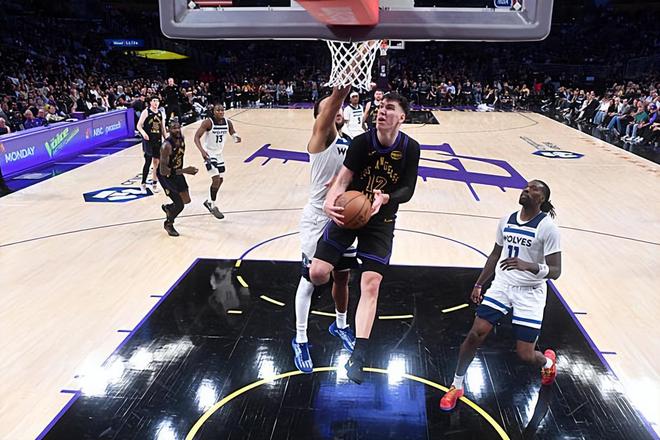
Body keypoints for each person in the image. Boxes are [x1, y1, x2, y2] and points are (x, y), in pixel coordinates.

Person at [309, 92, 421, 384]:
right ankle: (333, 279)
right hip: (351, 213)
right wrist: (330, 200)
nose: (382, 111)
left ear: (402, 117)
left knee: (370, 284)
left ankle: (358, 356)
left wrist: (387, 198)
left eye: (389, 108)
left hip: (381, 222)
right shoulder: (361, 142)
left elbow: (408, 189)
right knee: (318, 274)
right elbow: (344, 178)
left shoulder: (411, 147)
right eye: (381, 107)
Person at [439, 180, 562, 411]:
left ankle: (547, 362)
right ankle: (456, 385)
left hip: (530, 292)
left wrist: (529, 265)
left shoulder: (548, 228)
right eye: (526, 186)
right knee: (476, 333)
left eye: (534, 189)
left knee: (525, 354)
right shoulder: (506, 220)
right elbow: (495, 254)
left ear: (542, 199)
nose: (526, 189)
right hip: (503, 285)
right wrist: (479, 284)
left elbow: (556, 271)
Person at [291, 85, 358, 374]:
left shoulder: (351, 142)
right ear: (320, 117)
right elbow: (331, 108)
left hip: (343, 220)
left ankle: (340, 325)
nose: (337, 110)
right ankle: (300, 338)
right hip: (318, 219)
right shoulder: (320, 139)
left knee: (343, 278)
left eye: (339, 107)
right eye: (331, 107)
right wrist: (341, 89)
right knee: (310, 280)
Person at [193, 104, 241, 220]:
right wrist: (202, 151)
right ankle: (213, 205)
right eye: (218, 110)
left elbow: (232, 131)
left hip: (219, 154)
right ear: (213, 111)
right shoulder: (208, 122)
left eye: (222, 110)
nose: (220, 112)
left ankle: (209, 201)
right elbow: (196, 137)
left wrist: (236, 137)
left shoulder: (228, 122)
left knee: (221, 179)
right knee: (216, 179)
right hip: (209, 153)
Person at [158, 120, 198, 237]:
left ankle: (169, 208)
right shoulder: (166, 146)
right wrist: (185, 170)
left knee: (186, 200)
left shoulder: (181, 139)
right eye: (174, 128)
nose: (177, 130)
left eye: (178, 127)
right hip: (166, 177)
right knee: (180, 205)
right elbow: (163, 171)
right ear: (168, 129)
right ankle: (168, 224)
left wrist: (182, 171)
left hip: (177, 173)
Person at [137, 96, 167, 193]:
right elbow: (139, 125)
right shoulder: (146, 112)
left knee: (157, 163)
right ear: (150, 102)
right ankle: (143, 184)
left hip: (157, 140)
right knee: (148, 161)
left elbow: (163, 128)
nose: (156, 103)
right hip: (148, 140)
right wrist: (143, 133)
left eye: (157, 101)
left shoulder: (160, 113)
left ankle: (154, 184)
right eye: (154, 101)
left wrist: (167, 139)